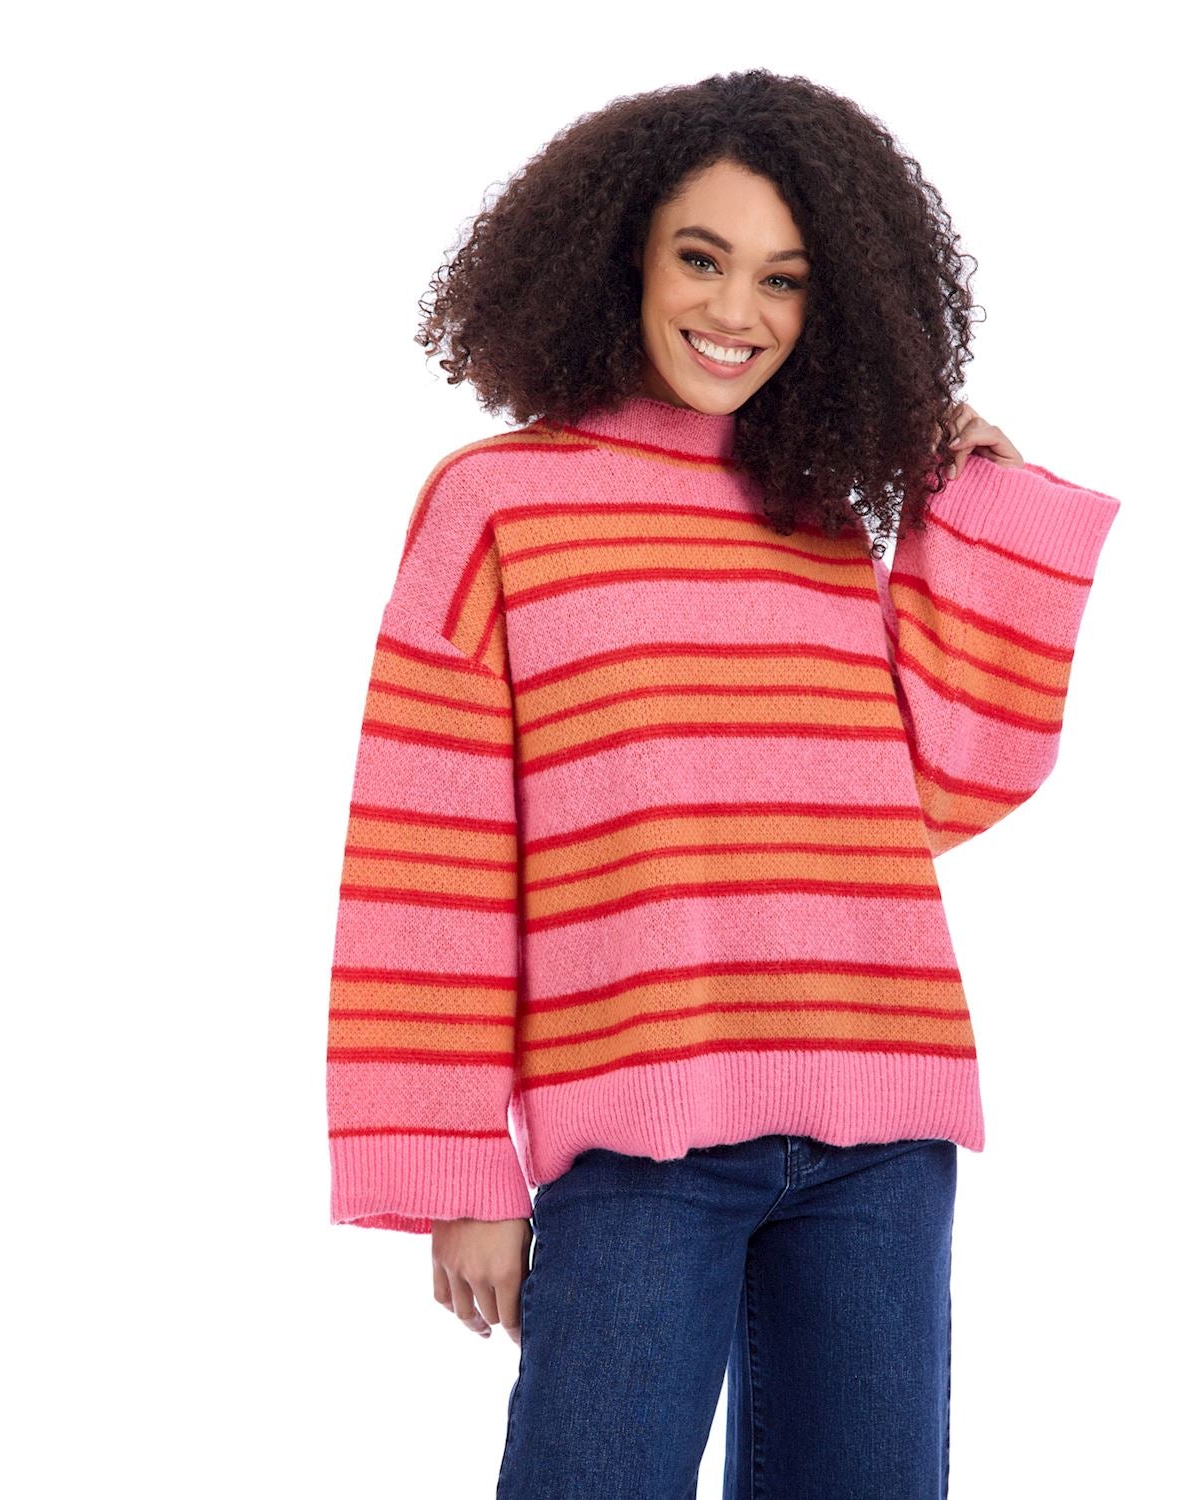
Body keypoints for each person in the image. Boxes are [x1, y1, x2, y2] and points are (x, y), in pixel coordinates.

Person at [324, 68, 1120, 1499]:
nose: (736, 310)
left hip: (881, 1134)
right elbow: (428, 855)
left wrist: (976, 516)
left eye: (784, 278)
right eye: (701, 258)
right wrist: (456, 1174)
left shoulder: (822, 518)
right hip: (638, 1140)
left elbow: (939, 791)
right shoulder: (497, 506)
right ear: (621, 254)